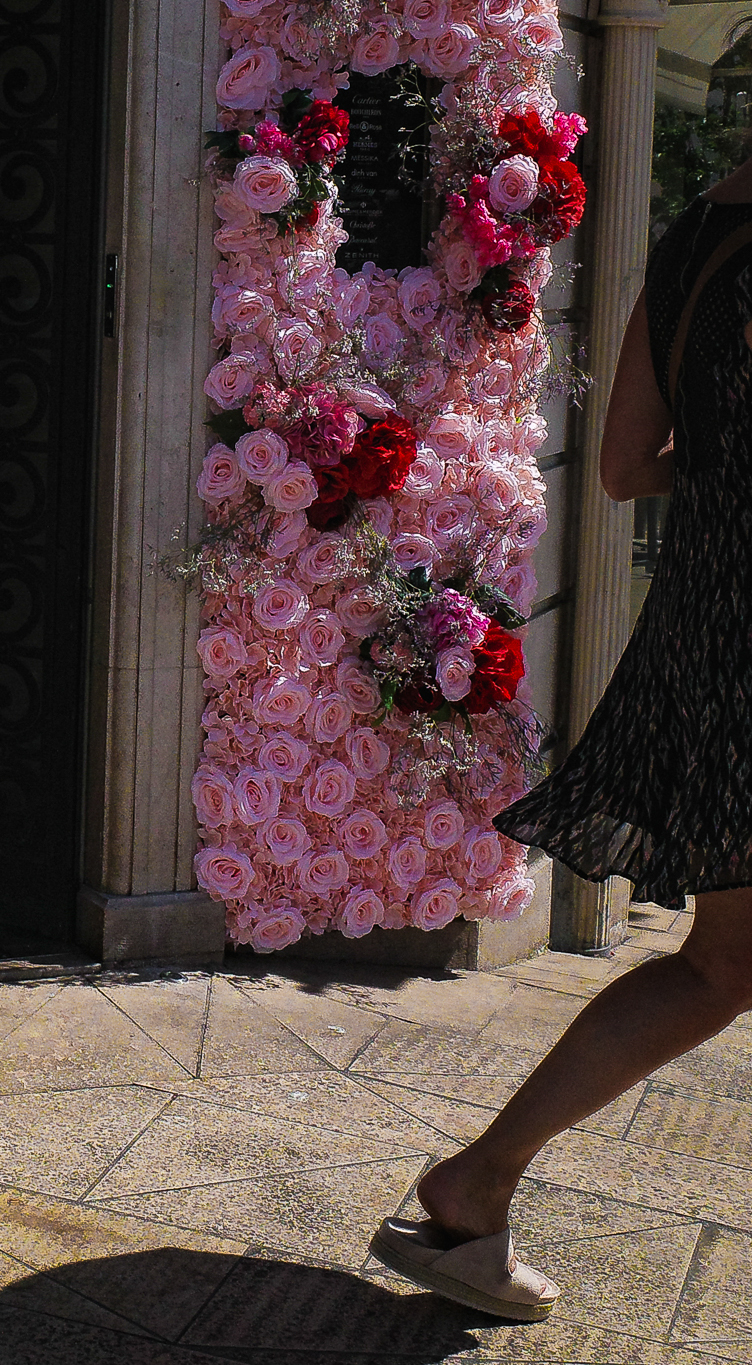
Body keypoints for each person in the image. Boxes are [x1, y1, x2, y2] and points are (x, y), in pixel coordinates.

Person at [369, 161, 752, 1321]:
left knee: (724, 962)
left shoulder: (698, 238)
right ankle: (474, 1181)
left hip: (707, 635)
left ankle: (475, 1184)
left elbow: (626, 466)